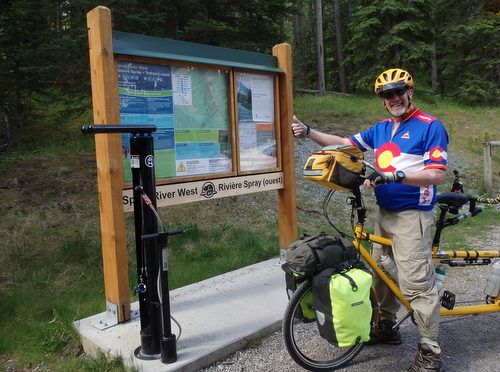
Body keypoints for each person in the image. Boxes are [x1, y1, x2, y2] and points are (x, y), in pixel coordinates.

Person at [291, 68, 448, 372]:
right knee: (381, 275)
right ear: (382, 100)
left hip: (413, 214)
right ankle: (386, 328)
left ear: (410, 92)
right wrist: (310, 132)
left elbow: (436, 172)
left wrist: (395, 175)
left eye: (399, 92)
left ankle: (430, 352)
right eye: (387, 94)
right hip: (384, 213)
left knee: (417, 284)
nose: (394, 98)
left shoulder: (430, 126)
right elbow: (344, 143)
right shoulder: (382, 128)